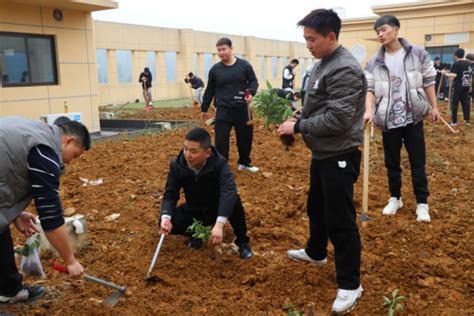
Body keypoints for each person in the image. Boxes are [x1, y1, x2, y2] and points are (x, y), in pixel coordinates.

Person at [278, 9, 366, 314]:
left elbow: (339, 119)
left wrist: (299, 127)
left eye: (311, 39)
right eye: (305, 39)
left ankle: (351, 285)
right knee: (316, 206)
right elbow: (316, 105)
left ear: (331, 36)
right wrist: (298, 116)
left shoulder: (345, 69)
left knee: (340, 221)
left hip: (339, 154)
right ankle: (316, 252)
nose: (307, 45)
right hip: (323, 153)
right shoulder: (322, 64)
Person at [0, 117, 91, 303]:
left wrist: (16, 214)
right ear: (68, 141)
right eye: (75, 155)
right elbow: (50, 215)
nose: (71, 162)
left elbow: (7, 172)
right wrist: (70, 261)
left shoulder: (39, 134)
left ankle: (8, 290)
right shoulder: (46, 153)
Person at [364, 15, 440, 223]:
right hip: (388, 119)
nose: (380, 34)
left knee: (418, 161)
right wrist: (369, 110)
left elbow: (428, 80)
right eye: (377, 31)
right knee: (392, 162)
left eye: (383, 29)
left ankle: (422, 203)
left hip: (413, 117)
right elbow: (370, 88)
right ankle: (395, 198)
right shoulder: (373, 62)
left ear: (396, 29)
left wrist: (434, 107)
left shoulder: (417, 53)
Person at [159, 127, 253, 259]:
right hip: (195, 208)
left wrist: (220, 224)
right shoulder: (177, 165)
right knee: (169, 219)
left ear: (207, 153)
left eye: (193, 151)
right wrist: (166, 217)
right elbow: (170, 194)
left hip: (216, 208)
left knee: (234, 201)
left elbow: (228, 190)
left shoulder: (219, 163)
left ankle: (242, 242)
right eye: (185, 149)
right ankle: (196, 234)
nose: (187, 155)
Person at [201, 37, 259, 172]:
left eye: (224, 49)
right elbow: (210, 89)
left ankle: (244, 163)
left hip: (242, 109)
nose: (221, 52)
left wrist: (250, 93)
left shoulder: (244, 66)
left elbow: (253, 82)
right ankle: (222, 167)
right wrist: (204, 108)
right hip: (223, 109)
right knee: (221, 141)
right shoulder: (215, 70)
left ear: (231, 49)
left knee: (245, 138)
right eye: (219, 50)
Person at [443, 49, 472, 125]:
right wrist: (470, 86)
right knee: (465, 104)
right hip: (466, 85)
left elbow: (454, 75)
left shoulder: (456, 63)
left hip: (458, 86)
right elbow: (470, 75)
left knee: (455, 104)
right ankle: (467, 121)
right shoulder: (468, 64)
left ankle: (454, 121)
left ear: (456, 55)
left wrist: (445, 73)